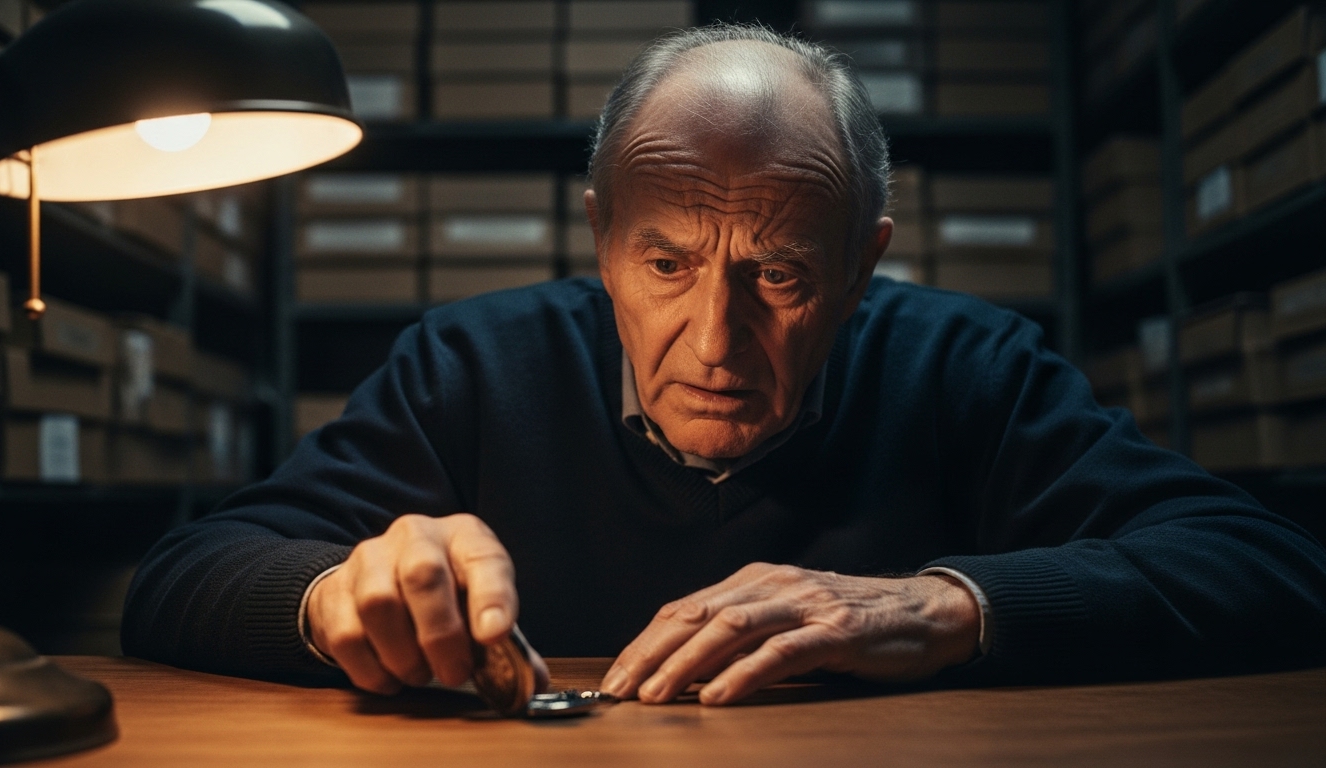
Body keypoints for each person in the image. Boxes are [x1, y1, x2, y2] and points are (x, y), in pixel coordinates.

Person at [123, 25, 1326, 706]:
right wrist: (333, 598)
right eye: (664, 264)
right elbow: (179, 579)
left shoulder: (971, 368)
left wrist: (946, 605)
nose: (712, 341)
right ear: (599, 239)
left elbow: (1275, 569)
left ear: (863, 265)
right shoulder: (471, 365)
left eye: (783, 277)